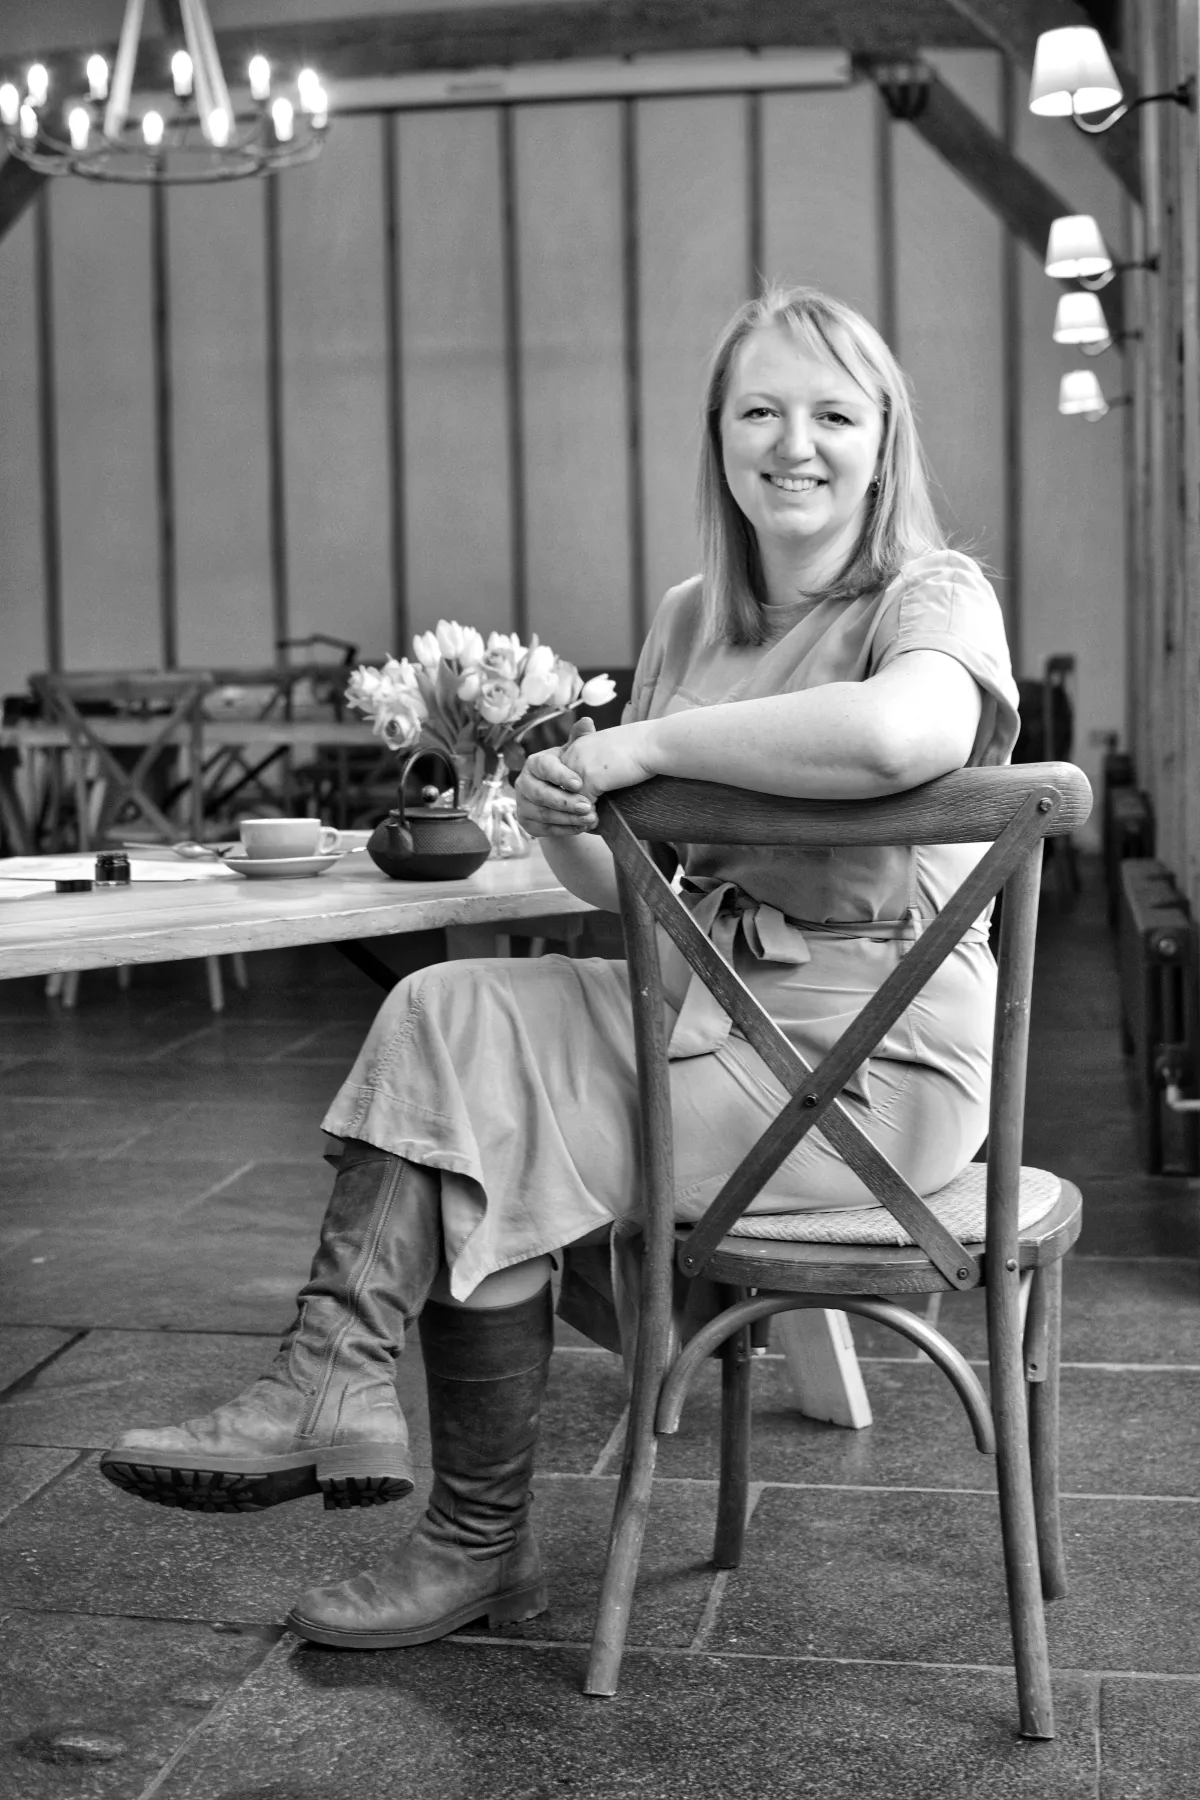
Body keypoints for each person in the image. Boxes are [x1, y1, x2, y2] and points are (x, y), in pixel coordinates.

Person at [100, 285, 1018, 1651]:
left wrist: (642, 749)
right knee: (445, 1012)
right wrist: (568, 822)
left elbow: (903, 737)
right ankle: (335, 1381)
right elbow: (641, 892)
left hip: (876, 1064)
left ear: (885, 440)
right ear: (718, 435)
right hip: (711, 1003)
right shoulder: (692, 618)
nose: (795, 444)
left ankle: (451, 1519)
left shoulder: (933, 592)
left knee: (479, 1112)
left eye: (834, 414)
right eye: (760, 411)